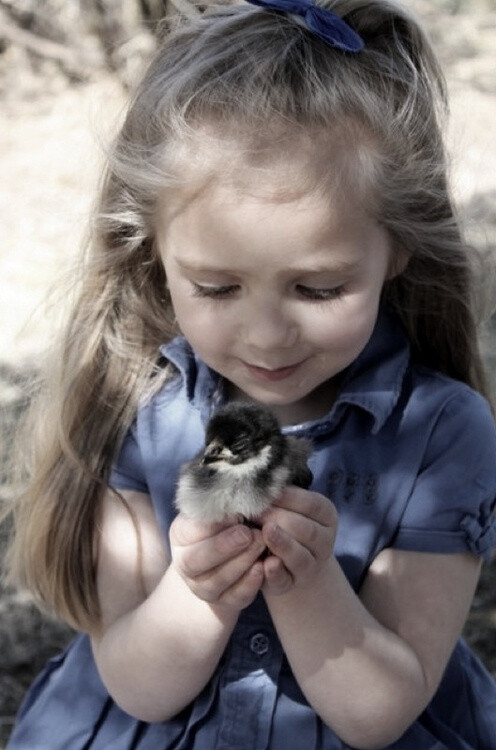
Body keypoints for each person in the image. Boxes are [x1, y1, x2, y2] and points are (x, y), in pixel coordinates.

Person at [4, 0, 496, 748]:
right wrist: (198, 587)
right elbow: (139, 684)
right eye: (217, 288)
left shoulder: (442, 432)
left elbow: (380, 713)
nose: (267, 335)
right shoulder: (135, 408)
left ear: (397, 250)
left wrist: (308, 585)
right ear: (155, 257)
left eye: (320, 288)